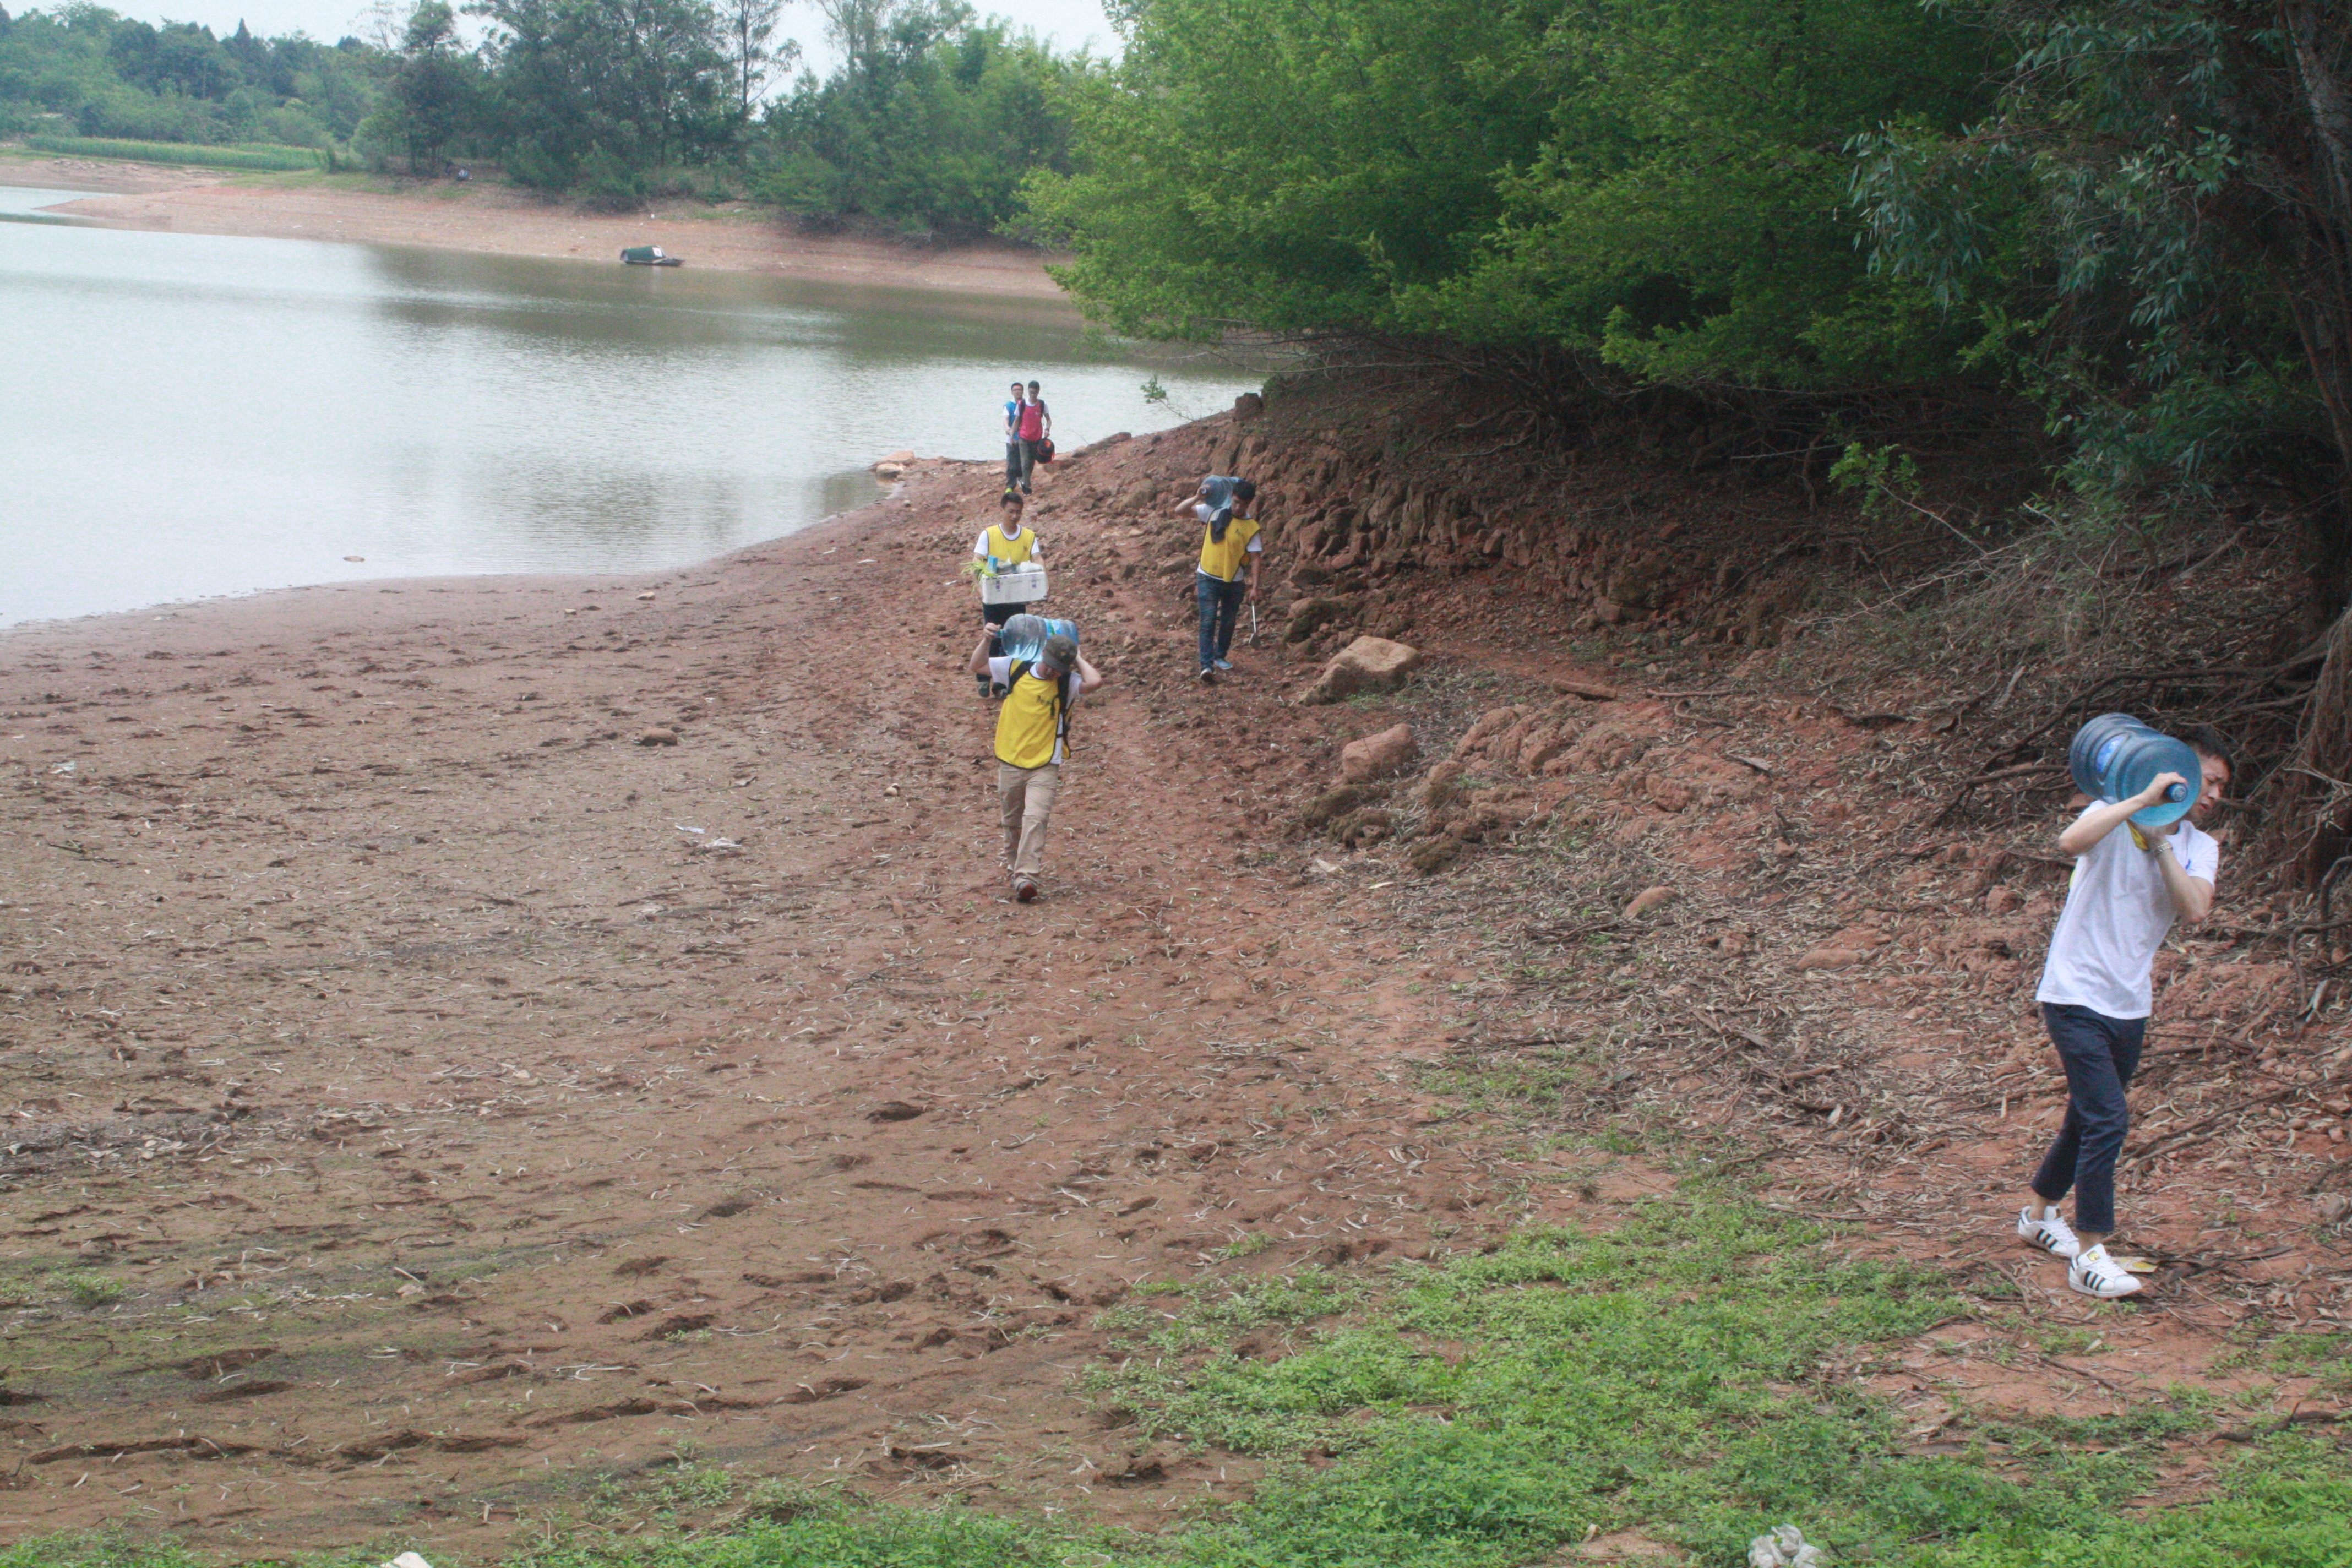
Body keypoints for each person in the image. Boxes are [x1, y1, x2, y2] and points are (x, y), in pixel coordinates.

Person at [2016, 723, 2231, 1298]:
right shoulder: (2113, 814)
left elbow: (2194, 910)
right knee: (2109, 1117)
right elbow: (2070, 842)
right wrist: (2138, 802)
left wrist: (2162, 835)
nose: (2212, 794)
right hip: (2073, 993)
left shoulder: (2197, 846)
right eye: (2207, 780)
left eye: (2221, 789)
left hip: (2128, 1004)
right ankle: (2090, 1254)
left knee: (2089, 1116)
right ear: (2176, 767)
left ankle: (2038, 1215)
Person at [963, 630, 1103, 902]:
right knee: (1012, 823)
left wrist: (1078, 658)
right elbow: (977, 666)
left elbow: (1095, 682)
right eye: (1051, 665)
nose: (1053, 672)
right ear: (1042, 655)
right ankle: (1014, 867)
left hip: (1046, 764)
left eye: (1060, 669)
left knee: (1036, 819)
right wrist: (986, 640)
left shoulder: (1068, 683)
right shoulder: (1015, 668)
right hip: (1010, 759)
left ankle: (1026, 877)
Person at [1172, 475, 1260, 682]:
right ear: (1231, 496)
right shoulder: (1213, 511)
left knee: (1228, 623)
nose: (1238, 508)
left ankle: (1220, 655)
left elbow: (1256, 558)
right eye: (1236, 502)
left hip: (1234, 581)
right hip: (1207, 577)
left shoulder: (1251, 527)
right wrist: (1197, 497)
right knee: (1208, 621)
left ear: (1249, 504)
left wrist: (1255, 587)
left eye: (1244, 505)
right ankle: (1206, 665)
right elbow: (1179, 511)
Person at [972, 491, 1044, 696]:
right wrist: (979, 588)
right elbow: (977, 561)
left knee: (1013, 637)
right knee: (993, 636)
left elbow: (1037, 558)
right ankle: (984, 678)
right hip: (993, 597)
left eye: (1018, 513)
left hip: (1017, 596)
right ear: (1002, 510)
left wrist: (1042, 579)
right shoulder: (989, 534)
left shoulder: (1028, 536)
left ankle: (1002, 683)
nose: (1014, 516)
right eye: (1011, 512)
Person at [1012, 380, 1050, 493]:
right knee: (1025, 462)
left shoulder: (1042, 405)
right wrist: (1012, 437)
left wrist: (1047, 430)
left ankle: (1024, 481)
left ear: (1038, 392)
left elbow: (1049, 420)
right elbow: (1016, 421)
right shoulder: (1022, 404)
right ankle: (1027, 487)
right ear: (1028, 392)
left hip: (1037, 438)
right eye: (1031, 392)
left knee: (1031, 462)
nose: (1033, 395)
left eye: (1035, 392)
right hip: (1023, 437)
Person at [1002, 381, 1028, 492]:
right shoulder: (1009, 406)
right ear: (1012, 392)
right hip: (1012, 437)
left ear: (1023, 391)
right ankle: (1010, 486)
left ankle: (1024, 483)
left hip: (1024, 437)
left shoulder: (1027, 404)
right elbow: (1006, 419)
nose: (1017, 392)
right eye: (1015, 390)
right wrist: (1008, 429)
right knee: (1012, 463)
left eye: (1019, 390)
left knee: (1024, 462)